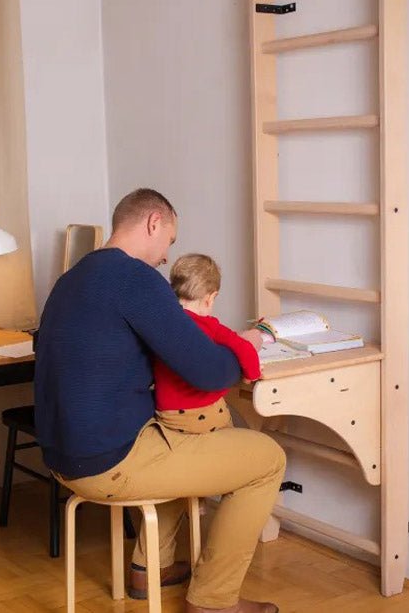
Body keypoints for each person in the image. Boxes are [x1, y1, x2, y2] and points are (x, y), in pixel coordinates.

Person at [34, 188, 285, 613]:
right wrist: (243, 347)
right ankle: (213, 602)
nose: (167, 256)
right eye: (169, 240)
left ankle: (151, 567)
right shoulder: (135, 278)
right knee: (266, 460)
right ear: (154, 223)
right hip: (108, 464)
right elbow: (206, 370)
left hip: (61, 457)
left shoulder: (73, 276)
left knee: (170, 432)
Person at [154, 253, 262, 436]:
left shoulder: (162, 322)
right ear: (210, 298)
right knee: (230, 426)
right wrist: (252, 374)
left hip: (166, 415)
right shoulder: (210, 326)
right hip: (201, 415)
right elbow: (244, 348)